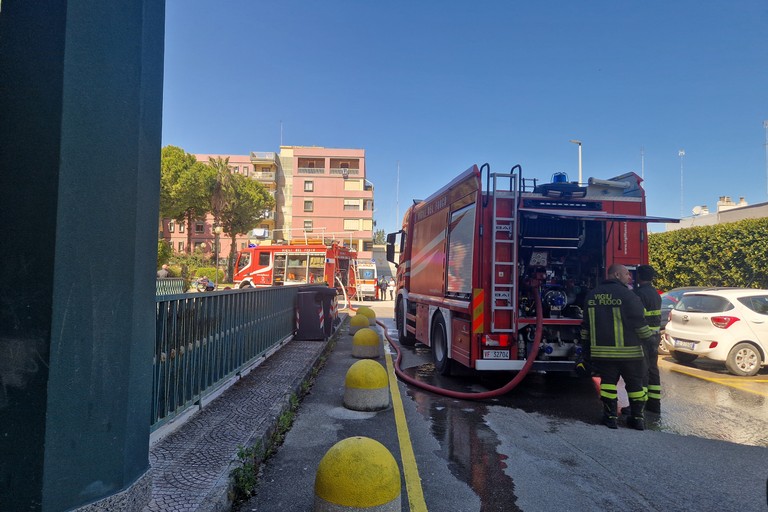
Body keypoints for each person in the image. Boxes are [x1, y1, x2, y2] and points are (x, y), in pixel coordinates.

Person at [580, 263, 655, 430]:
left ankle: (610, 417)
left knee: (607, 385)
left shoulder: (592, 295)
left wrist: (586, 352)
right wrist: (650, 341)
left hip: (604, 353)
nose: (630, 278)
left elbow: (585, 328)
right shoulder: (629, 296)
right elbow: (639, 323)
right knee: (635, 386)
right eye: (627, 274)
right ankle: (637, 419)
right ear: (616, 275)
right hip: (631, 353)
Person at [632, 264, 662, 414]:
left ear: (638, 276)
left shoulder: (639, 294)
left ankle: (640, 405)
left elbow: (638, 316)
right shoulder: (655, 293)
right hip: (655, 336)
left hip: (644, 337)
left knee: (642, 370)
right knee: (653, 369)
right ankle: (654, 404)